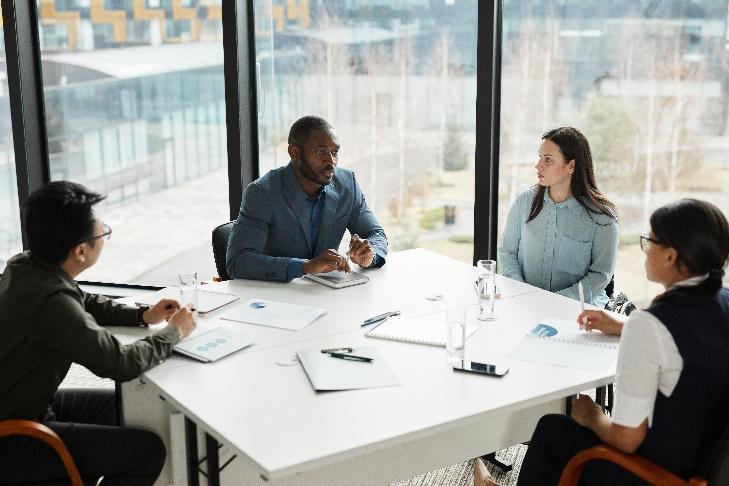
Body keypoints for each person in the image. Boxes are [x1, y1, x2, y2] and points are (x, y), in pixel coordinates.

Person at [476, 198, 729, 485]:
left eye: (650, 241)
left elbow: (626, 439)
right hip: (701, 462)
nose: (645, 250)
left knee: (553, 429)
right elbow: (691, 345)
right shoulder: (723, 300)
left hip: (649, 473)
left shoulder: (651, 326)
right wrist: (625, 326)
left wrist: (592, 416)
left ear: (671, 256)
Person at [0, 181, 197, 485]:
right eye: (102, 231)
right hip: (15, 437)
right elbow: (120, 364)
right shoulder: (52, 304)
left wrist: (142, 315)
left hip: (25, 405)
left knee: (125, 408)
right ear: (80, 250)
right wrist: (174, 332)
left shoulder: (26, 266)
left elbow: (81, 299)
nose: (105, 234)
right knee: (146, 453)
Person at [226, 115, 388, 281]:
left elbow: (375, 233)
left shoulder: (347, 185)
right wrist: (305, 267)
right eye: (321, 152)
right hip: (276, 296)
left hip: (327, 292)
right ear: (294, 153)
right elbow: (238, 262)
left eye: (334, 152)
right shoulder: (262, 193)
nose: (331, 161)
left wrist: (370, 255)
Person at [498, 127, 618, 308]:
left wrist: (555, 301)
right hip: (524, 304)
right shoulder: (523, 202)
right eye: (540, 157)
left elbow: (600, 275)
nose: (538, 166)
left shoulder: (602, 218)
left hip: (577, 310)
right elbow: (507, 253)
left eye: (548, 160)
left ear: (571, 166)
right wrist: (520, 291)